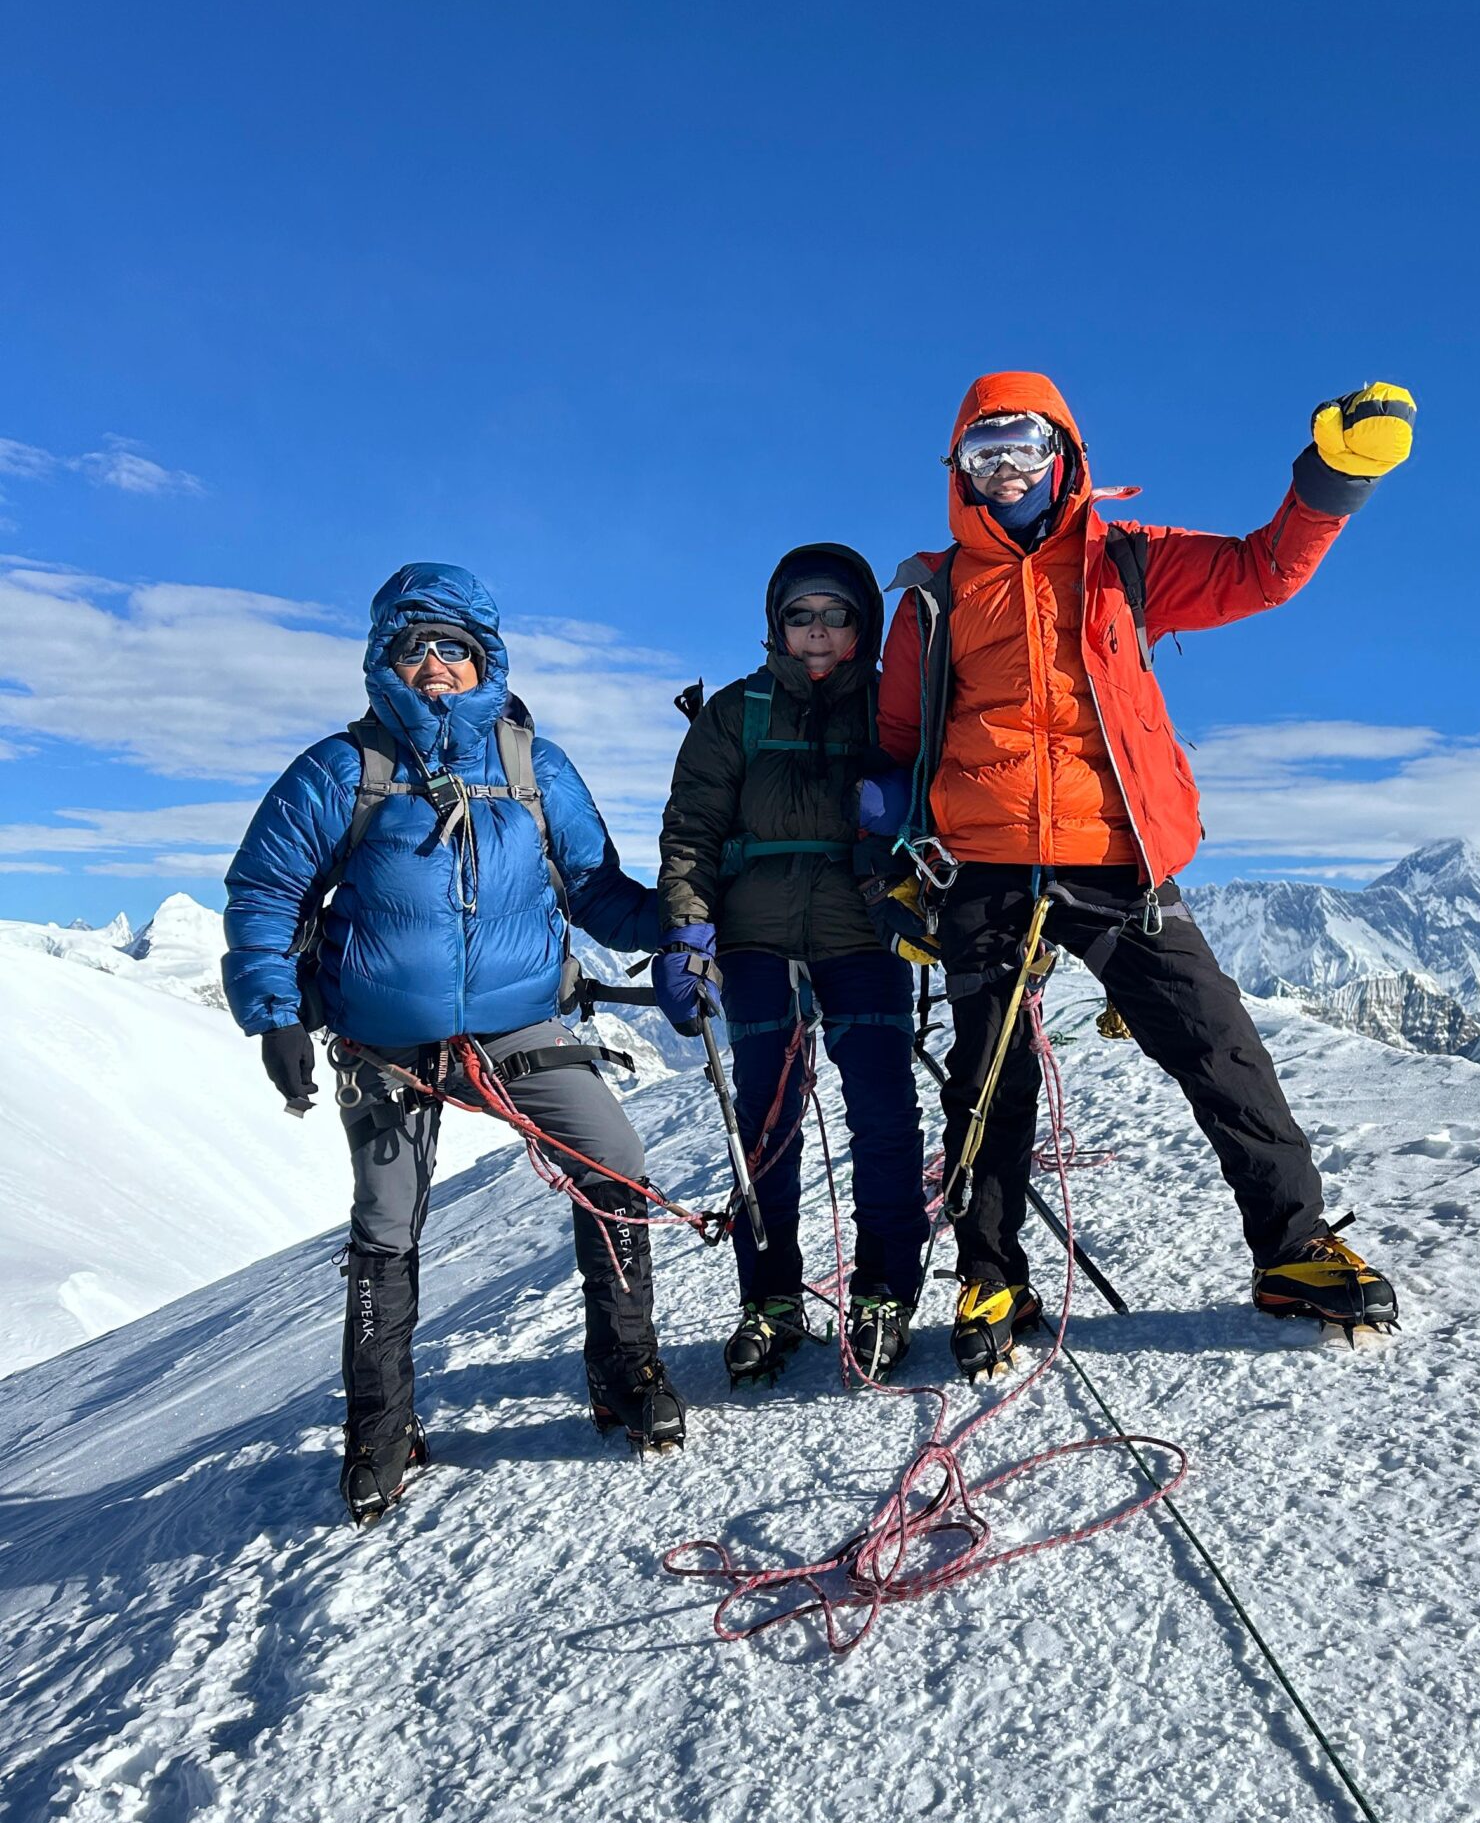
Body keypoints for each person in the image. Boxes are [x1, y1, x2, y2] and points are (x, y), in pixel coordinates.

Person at [873, 373, 1416, 1377]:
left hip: (1118, 860)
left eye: (1022, 449)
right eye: (984, 454)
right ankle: (992, 1275)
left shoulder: (1127, 561)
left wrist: (1328, 486)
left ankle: (1292, 1250)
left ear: (1064, 455)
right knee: (987, 1083)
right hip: (987, 866)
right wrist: (896, 858)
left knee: (1220, 1046)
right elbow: (900, 738)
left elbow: (1262, 572)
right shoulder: (934, 597)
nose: (1005, 473)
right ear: (959, 472)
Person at [222, 563, 677, 1525]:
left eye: (454, 649)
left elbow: (593, 887)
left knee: (618, 1163)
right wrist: (274, 1015)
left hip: (516, 1020)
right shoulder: (343, 770)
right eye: (413, 648)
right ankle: (380, 1429)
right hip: (384, 1040)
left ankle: (625, 1370)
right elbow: (267, 896)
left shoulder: (532, 767)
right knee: (387, 1220)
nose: (434, 667)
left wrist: (682, 930)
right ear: (385, 660)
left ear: (485, 659)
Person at [656, 544, 927, 1385]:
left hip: (863, 933)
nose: (817, 631)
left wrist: (905, 802)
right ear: (776, 625)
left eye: (836, 614)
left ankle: (886, 1289)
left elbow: (948, 795)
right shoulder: (735, 713)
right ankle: (769, 1299)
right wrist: (688, 932)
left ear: (862, 626)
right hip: (754, 942)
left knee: (884, 1114)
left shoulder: (896, 710)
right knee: (766, 1126)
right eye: (800, 615)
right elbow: (692, 832)